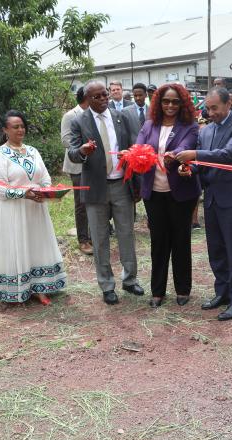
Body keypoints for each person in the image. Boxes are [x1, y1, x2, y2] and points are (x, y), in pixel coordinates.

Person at [175, 87, 232, 321]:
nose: (210, 112)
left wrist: (194, 155)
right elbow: (205, 164)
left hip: (231, 198)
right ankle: (223, 293)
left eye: (214, 108)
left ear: (229, 105)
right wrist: (190, 169)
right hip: (211, 198)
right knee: (216, 250)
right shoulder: (205, 131)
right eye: (207, 108)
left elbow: (227, 155)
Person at [68, 80, 144, 304]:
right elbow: (73, 153)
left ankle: (130, 280)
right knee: (100, 239)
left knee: (126, 235)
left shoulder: (122, 117)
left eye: (105, 95)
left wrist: (129, 155)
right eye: (97, 97)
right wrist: (82, 151)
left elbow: (135, 146)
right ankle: (107, 285)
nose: (102, 99)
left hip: (122, 184)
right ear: (87, 99)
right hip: (95, 188)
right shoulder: (78, 121)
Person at [0, 110, 66, 305]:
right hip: (13, 211)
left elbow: (45, 178)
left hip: (35, 209)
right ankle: (18, 289)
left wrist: (45, 192)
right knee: (17, 245)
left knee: (36, 245)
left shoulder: (33, 151)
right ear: (5, 130)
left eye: (22, 126)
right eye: (15, 127)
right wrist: (24, 193)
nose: (20, 130)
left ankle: (39, 287)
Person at [136, 84, 200, 307]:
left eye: (175, 101)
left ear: (182, 103)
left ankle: (183, 289)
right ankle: (157, 291)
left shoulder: (189, 126)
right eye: (166, 101)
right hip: (153, 193)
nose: (170, 106)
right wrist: (134, 155)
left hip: (181, 192)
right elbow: (139, 149)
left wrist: (175, 155)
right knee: (158, 242)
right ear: (158, 103)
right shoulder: (148, 125)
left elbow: (186, 146)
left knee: (181, 241)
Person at [61, 87, 93, 255]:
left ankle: (93, 235)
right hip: (77, 165)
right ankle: (83, 240)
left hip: (94, 165)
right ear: (88, 97)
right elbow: (66, 140)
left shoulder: (95, 114)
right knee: (81, 203)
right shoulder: (70, 115)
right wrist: (84, 146)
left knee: (95, 200)